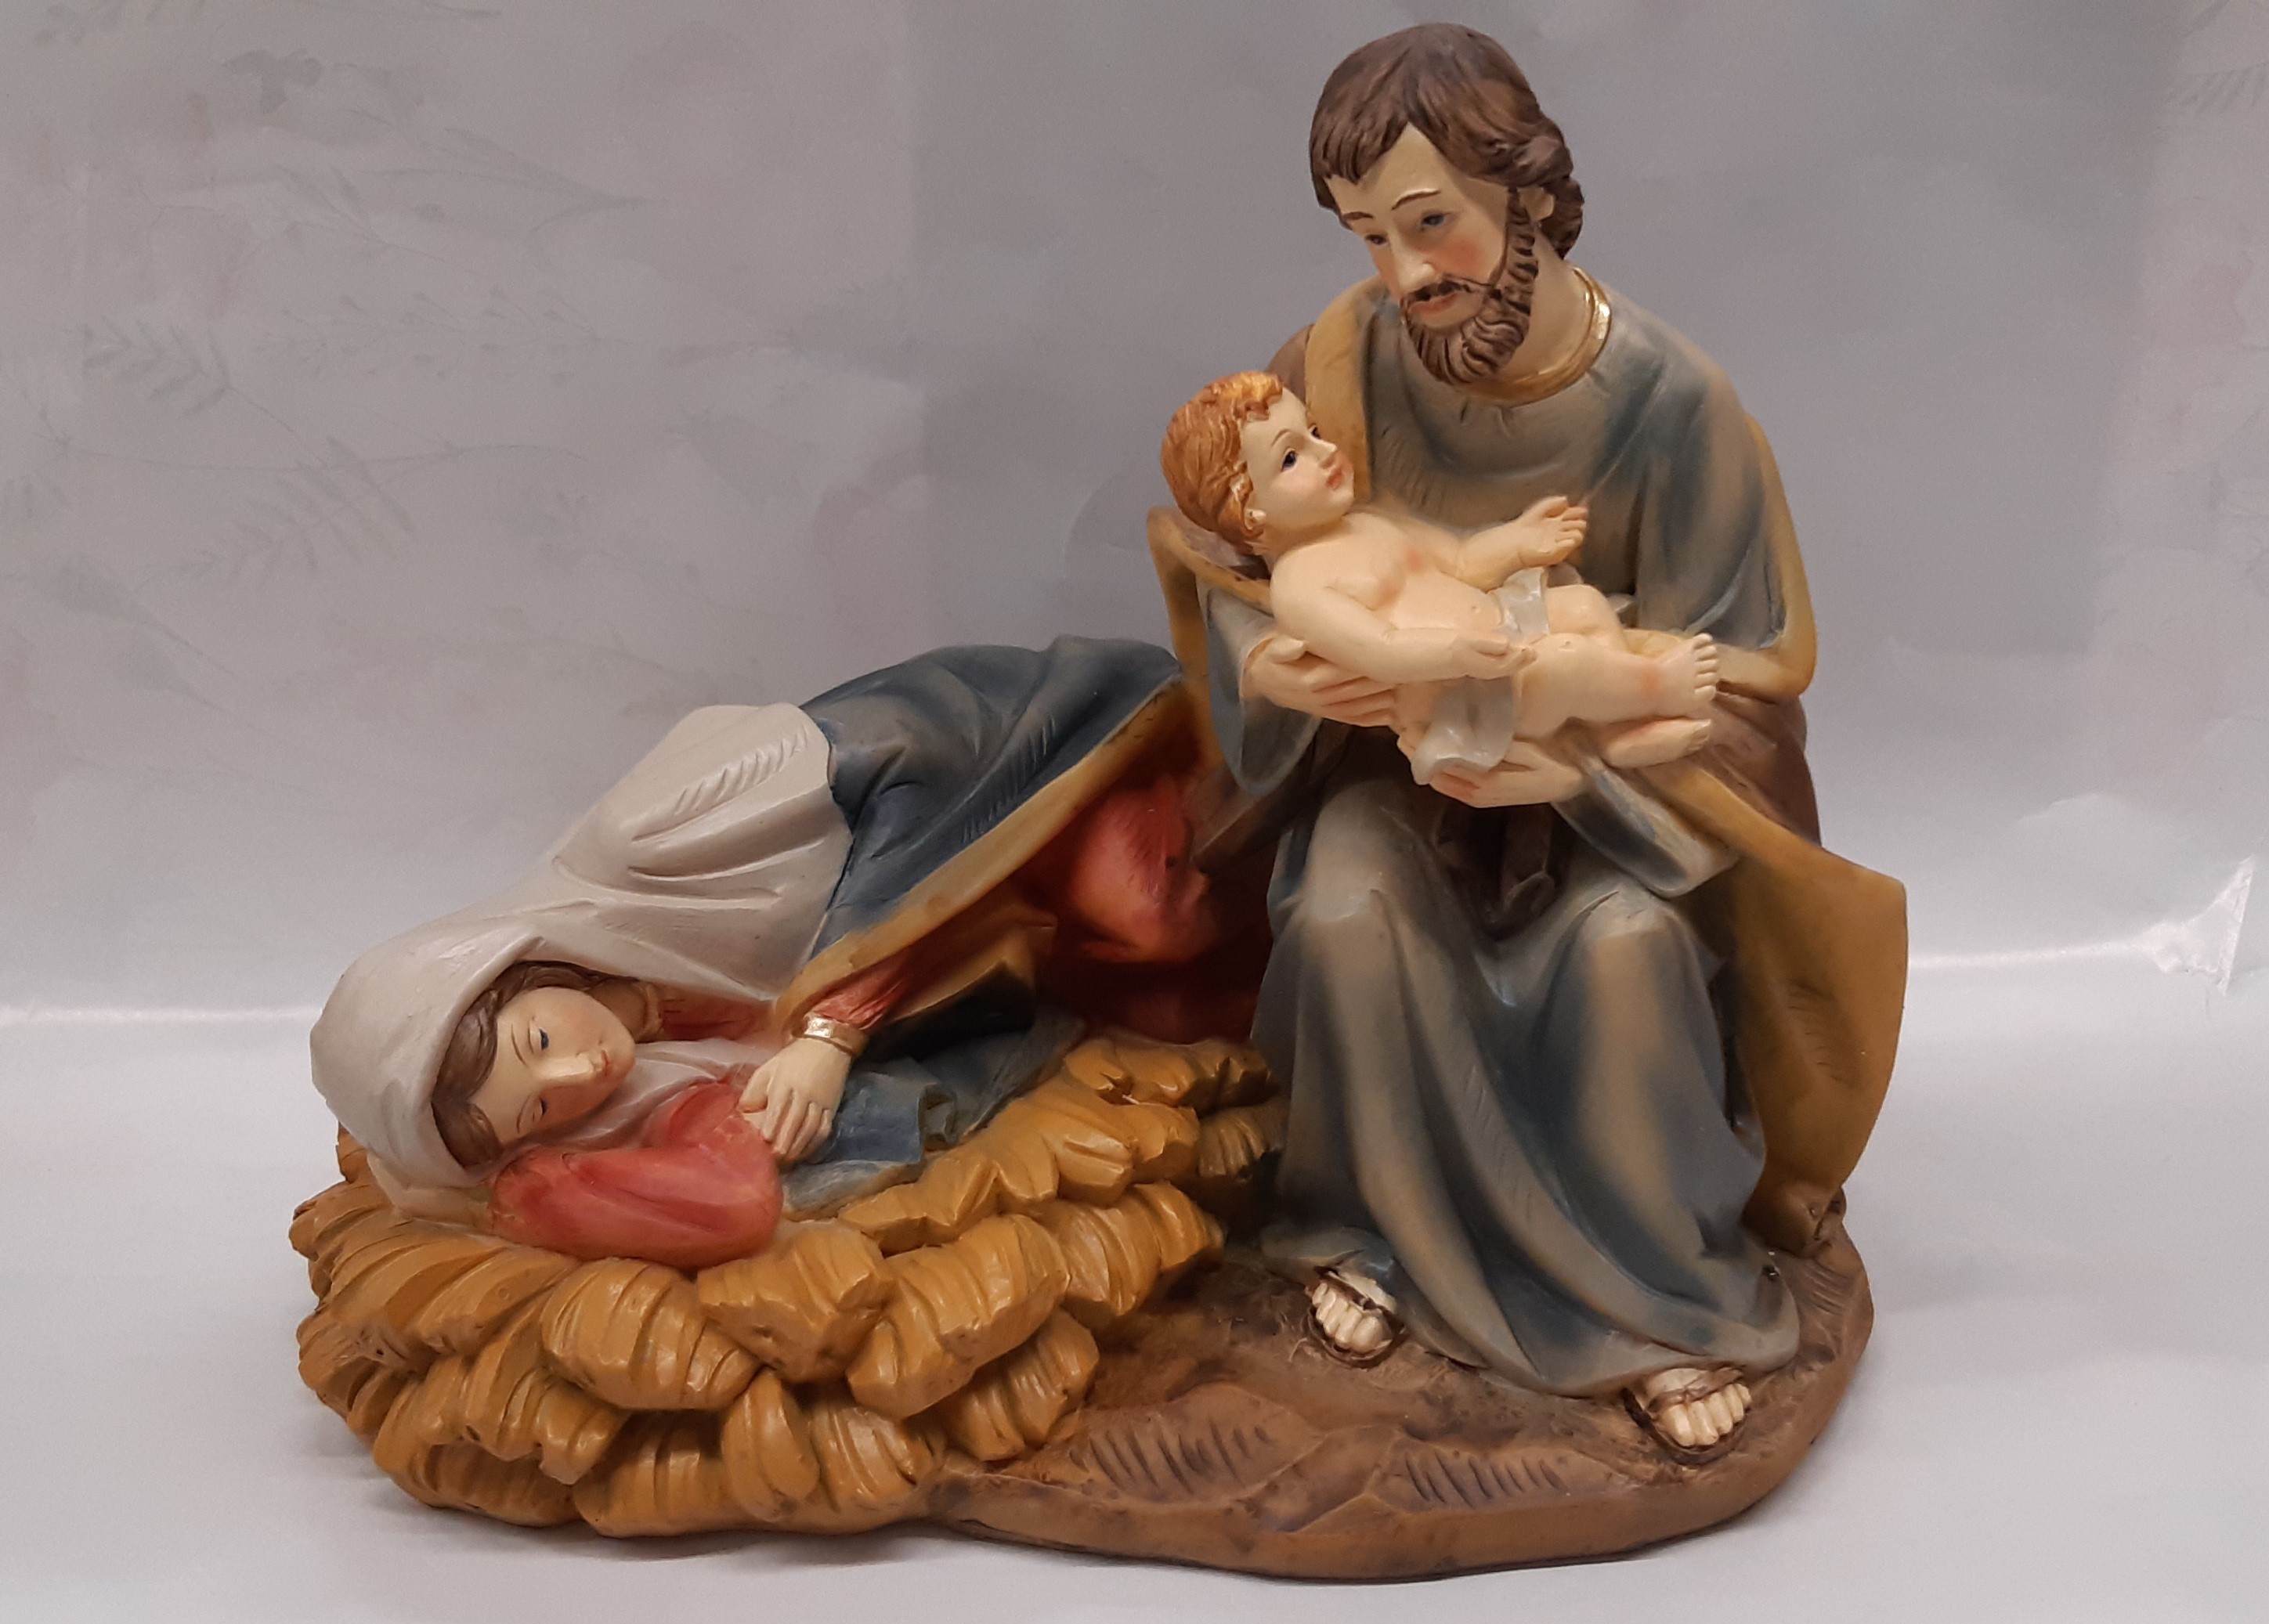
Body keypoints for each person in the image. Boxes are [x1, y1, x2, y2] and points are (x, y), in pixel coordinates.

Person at [1158, 24, 1906, 1455]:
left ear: (1529, 193)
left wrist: (1570, 738)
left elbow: (1743, 683)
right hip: (1401, 775)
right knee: (1344, 908)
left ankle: (1651, 1303)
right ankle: (1370, 1233)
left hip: (1616, 809)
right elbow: (1238, 574)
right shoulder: (1335, 364)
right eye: (1367, 236)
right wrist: (1298, 682)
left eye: (1428, 223)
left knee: (1621, 957)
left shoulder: (1673, 405)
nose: (1403, 276)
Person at [312, 639, 1261, 1270]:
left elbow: (903, 758)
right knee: (1174, 1020)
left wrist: (830, 1033)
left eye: (537, 1041)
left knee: (1151, 915)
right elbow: (727, 1195)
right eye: (542, 1106)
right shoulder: (656, 1053)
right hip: (996, 944)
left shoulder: (650, 844)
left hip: (1028, 771)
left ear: (514, 972)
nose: (581, 1071)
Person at [1160, 371, 1722, 783]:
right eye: (1290, 458)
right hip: (1462, 695)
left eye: (1312, 430)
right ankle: (1661, 687)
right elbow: (1380, 649)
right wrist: (1455, 653)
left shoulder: (1364, 523)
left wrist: (1518, 541)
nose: (1326, 451)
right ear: (1250, 513)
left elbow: (1459, 561)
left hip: (1501, 631)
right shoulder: (1299, 588)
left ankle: (1616, 733)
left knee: (1581, 606)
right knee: (1568, 661)